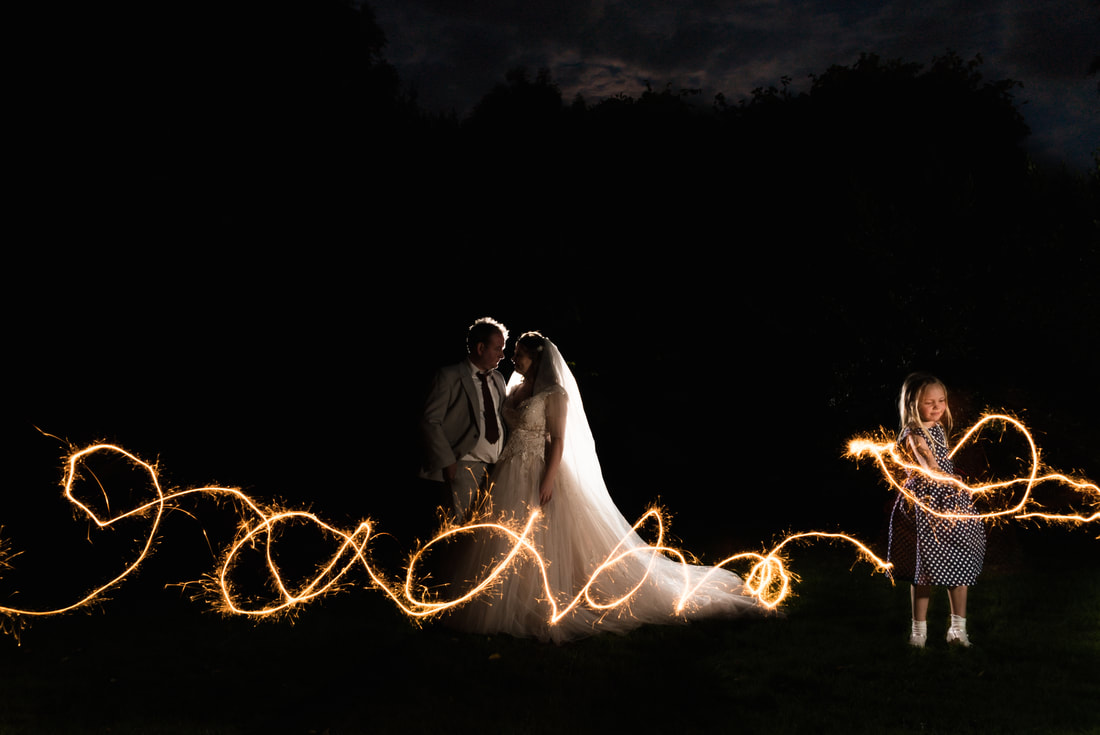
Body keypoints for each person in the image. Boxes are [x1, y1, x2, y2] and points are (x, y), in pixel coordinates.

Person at [447, 331, 760, 642]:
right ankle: (504, 595)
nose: (514, 358)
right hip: (510, 469)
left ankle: (540, 598)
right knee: (505, 533)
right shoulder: (515, 385)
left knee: (543, 537)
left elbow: (558, 440)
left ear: (536, 357)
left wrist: (549, 478)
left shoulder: (553, 392)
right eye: (513, 352)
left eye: (520, 353)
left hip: (538, 469)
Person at [887, 372, 985, 648]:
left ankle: (957, 630)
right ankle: (919, 632)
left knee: (961, 563)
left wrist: (956, 489)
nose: (937, 407)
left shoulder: (939, 428)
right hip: (926, 504)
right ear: (913, 405)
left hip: (951, 501)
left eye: (941, 400)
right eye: (929, 402)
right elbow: (928, 465)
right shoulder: (913, 433)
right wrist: (951, 481)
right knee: (925, 569)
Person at [420, 317, 509, 523]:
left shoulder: (498, 379)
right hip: (462, 467)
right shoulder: (449, 376)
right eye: (497, 348)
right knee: (460, 530)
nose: (502, 355)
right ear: (480, 347)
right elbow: (430, 421)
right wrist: (448, 460)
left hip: (495, 470)